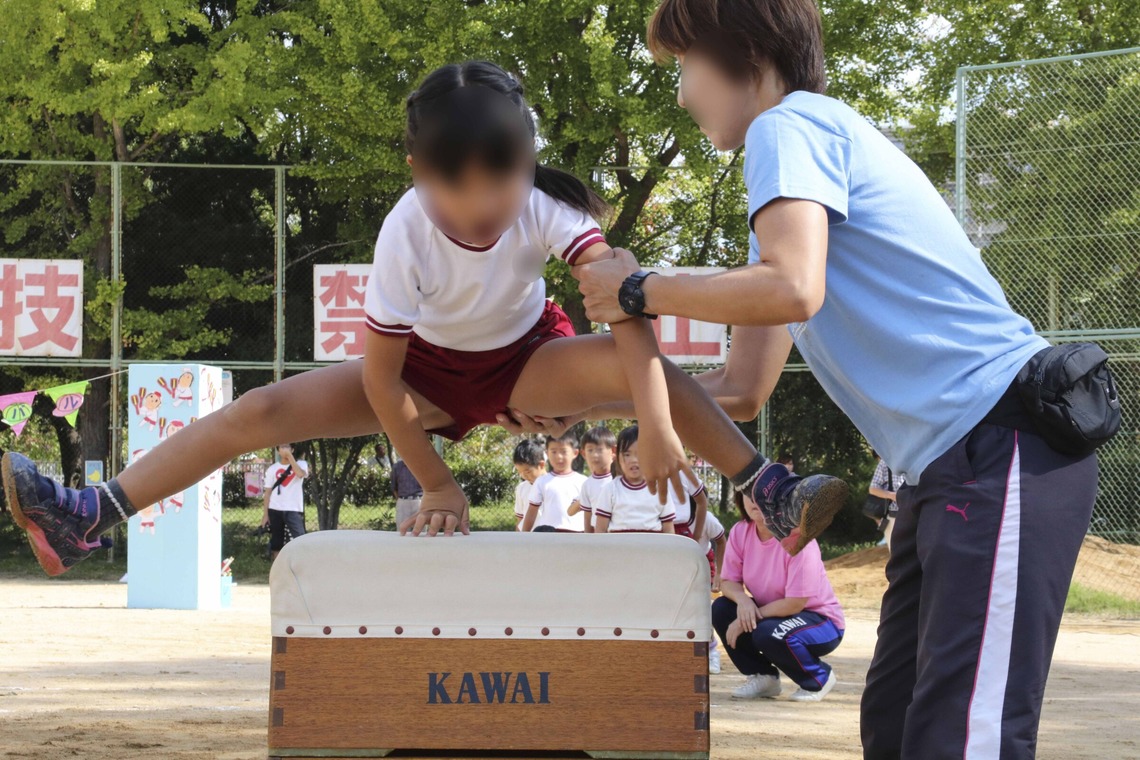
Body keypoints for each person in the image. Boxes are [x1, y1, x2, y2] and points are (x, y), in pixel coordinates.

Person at [3, 59, 847, 577]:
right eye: (457, 193)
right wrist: (434, 481)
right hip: (420, 377)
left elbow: (621, 309)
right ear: (418, 172)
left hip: (526, 360)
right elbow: (378, 374)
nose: (483, 210)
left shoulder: (546, 208)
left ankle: (765, 488)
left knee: (648, 372)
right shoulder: (406, 228)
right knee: (257, 412)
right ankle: (90, 513)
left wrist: (657, 430)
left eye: (502, 187)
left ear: (529, 163)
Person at [573, 2, 1102, 755]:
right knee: (896, 726)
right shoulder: (793, 197)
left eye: (686, 66)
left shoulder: (789, 127)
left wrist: (640, 289)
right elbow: (738, 389)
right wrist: (566, 405)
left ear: (744, 56)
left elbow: (791, 288)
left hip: (998, 443)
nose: (683, 92)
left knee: (963, 738)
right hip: (947, 470)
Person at [714, 490, 845, 702]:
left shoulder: (798, 538)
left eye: (762, 494)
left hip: (820, 621)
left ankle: (819, 677)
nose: (755, 501)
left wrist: (747, 618)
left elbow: (795, 603)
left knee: (767, 632)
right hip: (774, 615)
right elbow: (728, 582)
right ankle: (764, 677)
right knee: (722, 609)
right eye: (748, 494)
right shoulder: (741, 531)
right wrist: (744, 601)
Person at [593, 425, 676, 534]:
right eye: (627, 454)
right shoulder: (610, 489)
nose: (634, 460)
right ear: (616, 453)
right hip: (619, 548)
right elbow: (600, 529)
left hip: (652, 548)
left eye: (641, 454)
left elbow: (669, 529)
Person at [521, 432, 586, 533]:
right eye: (554, 452)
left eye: (564, 452)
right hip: (548, 536)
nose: (559, 456)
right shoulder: (542, 481)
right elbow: (531, 512)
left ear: (575, 453)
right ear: (547, 453)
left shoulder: (583, 481)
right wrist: (524, 536)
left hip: (577, 536)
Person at [260, 443, 309, 561]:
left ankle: (302, 565)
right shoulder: (272, 469)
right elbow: (268, 492)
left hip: (293, 509)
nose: (285, 450)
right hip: (275, 508)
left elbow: (300, 474)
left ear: (292, 449)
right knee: (277, 542)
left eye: (287, 447)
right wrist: (265, 515)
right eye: (282, 447)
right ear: (278, 451)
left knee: (300, 538)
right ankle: (278, 569)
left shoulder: (301, 464)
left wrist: (290, 457)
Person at [568, 425, 616, 533]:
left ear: (613, 451)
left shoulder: (618, 479)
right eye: (590, 450)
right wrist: (588, 540)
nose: (595, 455)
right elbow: (587, 516)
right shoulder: (588, 485)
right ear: (583, 453)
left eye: (600, 450)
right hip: (598, 535)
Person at [699, 507, 728, 675]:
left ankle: (711, 652)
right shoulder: (664, 511)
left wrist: (719, 572)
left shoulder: (706, 518)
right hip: (675, 564)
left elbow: (721, 540)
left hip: (701, 562)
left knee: (703, 609)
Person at [867, 455, 902, 548]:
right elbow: (873, 489)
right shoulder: (885, 462)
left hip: (917, 514)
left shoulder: (917, 458)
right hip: (893, 516)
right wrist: (892, 495)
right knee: (897, 554)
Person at [511, 438, 546, 531]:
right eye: (520, 472)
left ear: (541, 465)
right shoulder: (521, 488)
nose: (523, 475)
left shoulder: (552, 485)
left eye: (527, 471)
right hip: (528, 539)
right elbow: (520, 518)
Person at [390, 455, 423, 529]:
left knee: (420, 532)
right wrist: (400, 500)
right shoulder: (397, 467)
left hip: (419, 501)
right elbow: (394, 487)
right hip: (403, 501)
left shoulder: (421, 466)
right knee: (402, 530)